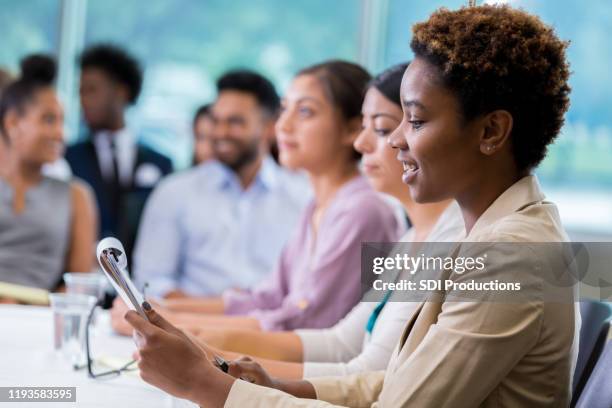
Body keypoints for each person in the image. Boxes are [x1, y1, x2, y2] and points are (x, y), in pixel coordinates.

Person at [124, 5, 578, 407]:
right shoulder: (488, 233)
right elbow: (395, 383)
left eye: (415, 121)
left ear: (491, 132)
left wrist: (208, 386)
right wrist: (274, 386)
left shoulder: (510, 257)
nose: (395, 139)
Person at [176, 63, 464, 380]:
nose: (363, 143)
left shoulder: (370, 212)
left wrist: (208, 355)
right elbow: (339, 342)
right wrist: (200, 343)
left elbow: (328, 336)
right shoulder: (411, 240)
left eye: (381, 128)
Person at [116, 60, 400, 332]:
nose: (282, 126)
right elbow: (267, 298)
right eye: (284, 110)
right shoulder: (317, 205)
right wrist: (161, 313)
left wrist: (170, 323)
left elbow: (304, 323)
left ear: (352, 129)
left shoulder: (363, 211)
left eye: (304, 112)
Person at [130, 70, 308, 299]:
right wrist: (211, 311)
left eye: (235, 122)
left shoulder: (303, 195)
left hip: (272, 328)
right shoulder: (174, 192)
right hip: (189, 327)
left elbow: (313, 289)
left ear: (268, 127)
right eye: (216, 120)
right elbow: (150, 281)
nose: (220, 132)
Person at [0, 55, 97, 299]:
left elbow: (79, 285)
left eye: (62, 121)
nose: (60, 134)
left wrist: (33, 308)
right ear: (12, 123)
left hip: (40, 318)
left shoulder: (77, 196)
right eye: (48, 119)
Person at [65, 44, 173, 263]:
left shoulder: (160, 163)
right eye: (81, 92)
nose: (84, 101)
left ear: (121, 92)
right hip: (85, 275)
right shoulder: (69, 157)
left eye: (92, 90)